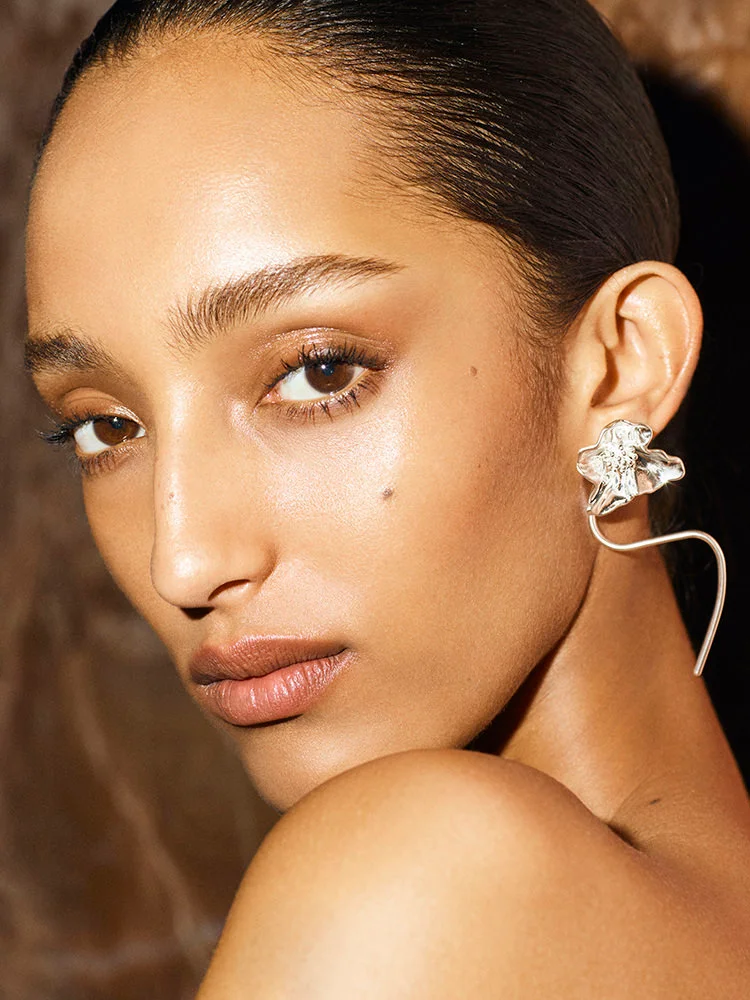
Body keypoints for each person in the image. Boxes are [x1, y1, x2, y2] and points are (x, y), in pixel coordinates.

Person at [23, 0, 750, 994]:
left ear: (623, 366)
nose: (181, 560)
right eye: (107, 427)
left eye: (317, 371)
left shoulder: (419, 883)